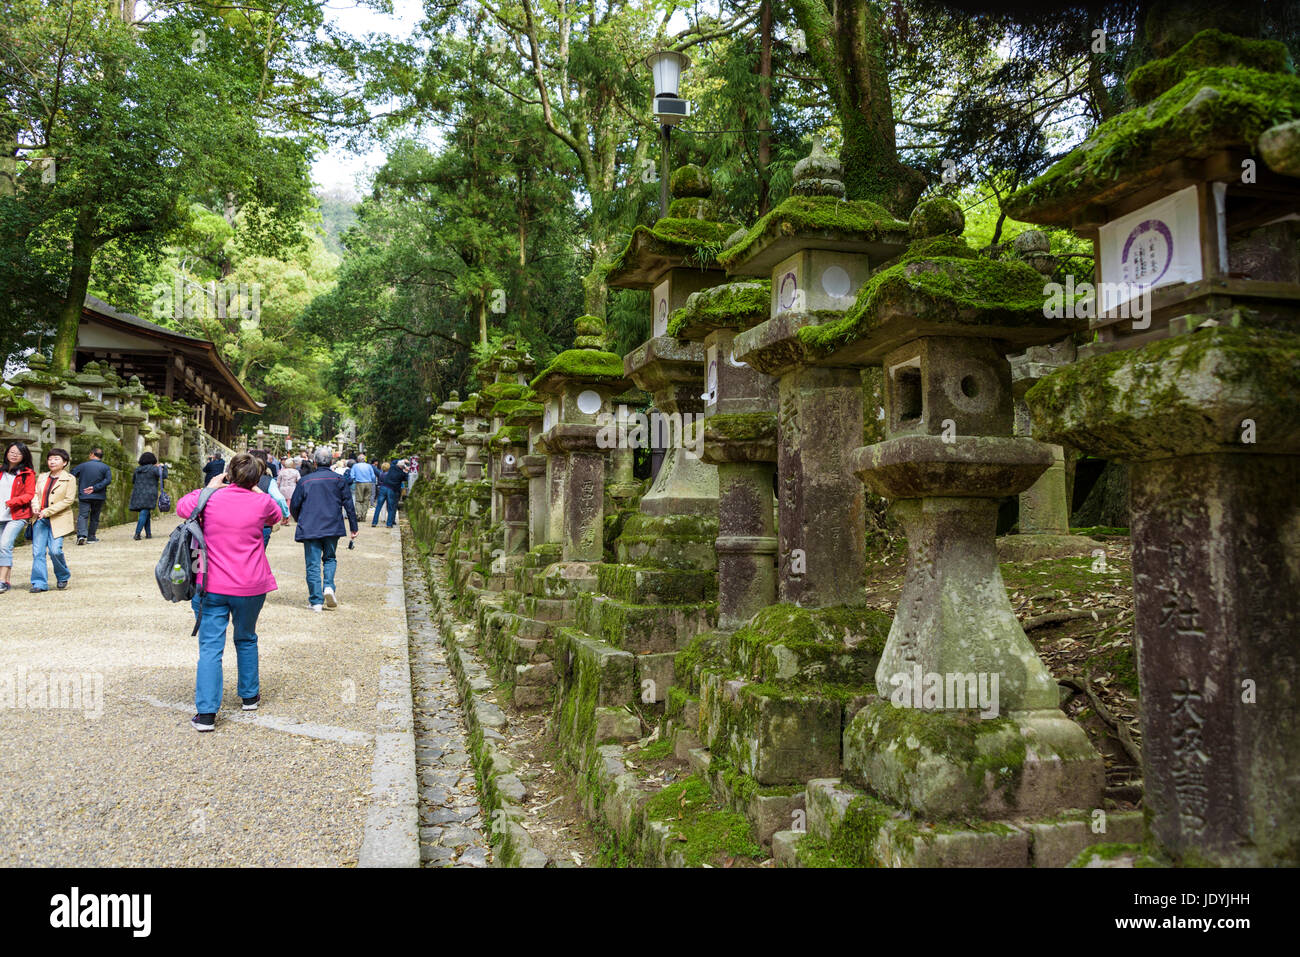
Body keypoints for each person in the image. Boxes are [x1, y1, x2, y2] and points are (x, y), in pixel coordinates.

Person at [176, 452, 285, 732]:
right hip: (251, 583)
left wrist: (211, 486)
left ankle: (207, 713)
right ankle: (249, 696)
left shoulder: (210, 498)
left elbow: (182, 508)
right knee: (246, 637)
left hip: (211, 582)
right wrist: (257, 489)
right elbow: (278, 515)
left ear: (228, 473)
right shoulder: (262, 501)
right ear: (257, 477)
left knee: (211, 647)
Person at [290, 447, 359, 612]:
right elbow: (349, 504)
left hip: (311, 526)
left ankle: (316, 601)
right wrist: (354, 527)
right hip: (332, 525)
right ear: (331, 462)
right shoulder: (339, 480)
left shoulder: (305, 481)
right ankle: (328, 586)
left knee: (312, 564)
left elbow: (294, 504)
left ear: (315, 462)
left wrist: (300, 519)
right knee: (330, 558)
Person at [30, 448, 76, 592]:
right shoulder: (42, 476)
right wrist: (36, 507)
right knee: (38, 552)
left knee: (55, 550)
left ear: (64, 462)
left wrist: (48, 511)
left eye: (56, 459)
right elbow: (35, 494)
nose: (52, 461)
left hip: (58, 518)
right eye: (50, 459)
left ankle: (63, 575)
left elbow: (68, 500)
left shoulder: (69, 478)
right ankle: (39, 583)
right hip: (39, 518)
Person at [0, 441, 36, 594]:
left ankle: (1, 581)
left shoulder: (27, 473)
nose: (14, 455)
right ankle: (7, 579)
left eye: (18, 453)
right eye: (12, 451)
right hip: (1, 514)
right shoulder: (1, 471)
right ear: (6, 453)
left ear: (24, 456)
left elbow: (29, 494)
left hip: (17, 515)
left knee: (5, 545)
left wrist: (13, 502)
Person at [71, 447, 112, 544]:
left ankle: (81, 536)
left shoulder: (83, 466)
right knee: (95, 516)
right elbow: (108, 480)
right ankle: (91, 536)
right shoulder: (105, 467)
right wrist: (95, 488)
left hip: (84, 494)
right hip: (99, 495)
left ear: (92, 454)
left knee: (83, 515)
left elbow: (71, 474)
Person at [249, 450, 289, 549]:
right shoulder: (268, 480)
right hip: (263, 524)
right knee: (259, 554)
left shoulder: (241, 478)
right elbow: (279, 499)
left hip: (242, 523)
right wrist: (285, 514)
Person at [128, 452, 168, 540]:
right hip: (150, 493)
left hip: (138, 493)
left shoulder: (137, 469)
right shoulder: (154, 469)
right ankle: (137, 533)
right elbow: (164, 476)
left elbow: (133, 481)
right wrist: (164, 467)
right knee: (144, 512)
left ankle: (148, 534)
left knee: (146, 513)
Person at [372, 458, 406, 528]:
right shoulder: (402, 474)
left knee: (378, 506)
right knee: (391, 507)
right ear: (402, 467)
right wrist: (406, 470)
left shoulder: (392, 468)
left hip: (384, 487)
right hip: (392, 490)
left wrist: (403, 460)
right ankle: (389, 524)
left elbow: (394, 462)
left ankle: (374, 522)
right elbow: (406, 478)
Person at [350, 454, 377, 518]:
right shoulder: (369, 466)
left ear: (358, 459)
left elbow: (352, 476)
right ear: (364, 459)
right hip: (368, 483)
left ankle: (359, 514)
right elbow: (373, 476)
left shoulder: (355, 466)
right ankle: (364, 515)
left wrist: (355, 479)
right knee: (366, 500)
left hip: (359, 483)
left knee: (359, 500)